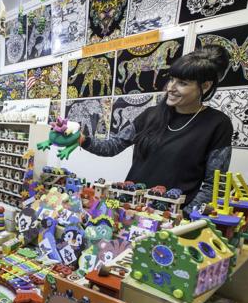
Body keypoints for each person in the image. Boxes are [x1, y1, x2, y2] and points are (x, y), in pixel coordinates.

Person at [78, 45, 233, 215]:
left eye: (182, 83)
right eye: (172, 79)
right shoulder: (150, 115)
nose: (171, 88)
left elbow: (214, 184)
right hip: (130, 207)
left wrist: (185, 216)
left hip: (170, 215)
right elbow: (113, 146)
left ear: (205, 86)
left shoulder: (217, 124)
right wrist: (83, 140)